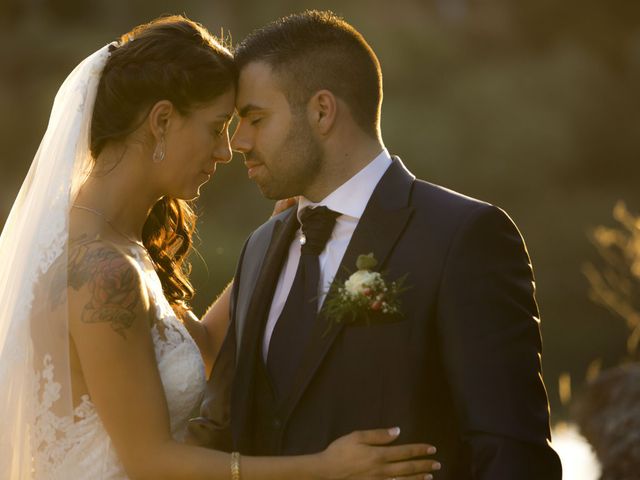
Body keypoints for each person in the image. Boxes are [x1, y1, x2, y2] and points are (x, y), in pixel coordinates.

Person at [0, 15, 440, 479]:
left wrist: (277, 244)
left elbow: (203, 346)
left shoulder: (114, 243)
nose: (226, 152)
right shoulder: (101, 271)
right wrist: (326, 468)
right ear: (162, 120)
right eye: (216, 128)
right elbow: (151, 462)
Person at [198, 10, 563, 479]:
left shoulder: (463, 236)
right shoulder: (259, 248)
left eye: (254, 119)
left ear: (322, 111)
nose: (239, 142)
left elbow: (513, 454)